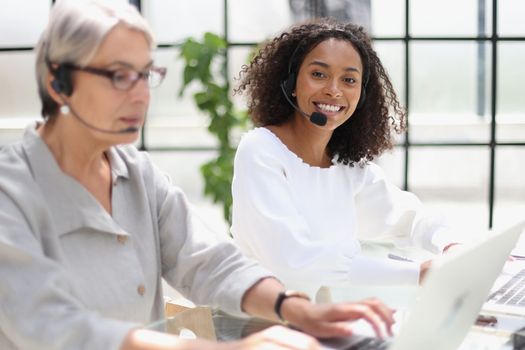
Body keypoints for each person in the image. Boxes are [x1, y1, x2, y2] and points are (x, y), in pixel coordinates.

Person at [0, 2, 397, 349]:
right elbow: (53, 326)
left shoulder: (138, 174)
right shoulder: (11, 192)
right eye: (119, 76)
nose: (140, 95)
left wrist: (294, 309)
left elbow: (208, 261)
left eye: (145, 74)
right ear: (58, 82)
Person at [231, 18, 459, 299]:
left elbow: (409, 218)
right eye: (319, 74)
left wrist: (452, 247)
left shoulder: (345, 166)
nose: (334, 90)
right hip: (269, 327)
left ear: (361, 95)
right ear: (291, 82)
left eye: (349, 80)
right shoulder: (261, 150)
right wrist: (418, 274)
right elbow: (295, 262)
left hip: (336, 317)